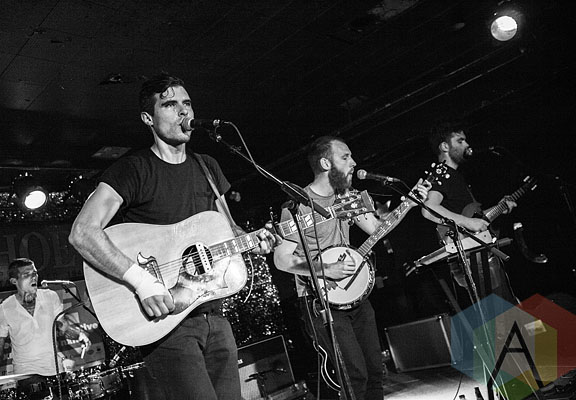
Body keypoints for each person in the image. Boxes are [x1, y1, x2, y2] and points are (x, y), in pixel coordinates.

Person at [68, 72, 277, 400]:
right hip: (166, 325)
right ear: (147, 118)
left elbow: (229, 229)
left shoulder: (207, 166)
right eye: (169, 105)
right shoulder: (133, 169)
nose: (183, 111)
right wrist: (142, 281)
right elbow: (83, 232)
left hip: (214, 314)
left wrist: (253, 240)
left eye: (187, 103)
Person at [273, 136, 430, 400]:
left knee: (375, 371)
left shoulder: (347, 197)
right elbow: (282, 259)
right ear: (326, 163)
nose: (354, 163)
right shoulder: (298, 206)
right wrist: (325, 269)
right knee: (354, 375)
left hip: (354, 293)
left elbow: (377, 228)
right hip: (320, 300)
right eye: (345, 157)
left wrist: (408, 204)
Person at [421, 122, 517, 303]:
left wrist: (499, 208)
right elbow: (429, 208)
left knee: (504, 306)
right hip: (472, 258)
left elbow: (473, 218)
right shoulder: (442, 173)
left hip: (478, 253)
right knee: (499, 310)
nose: (467, 145)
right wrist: (468, 222)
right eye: (460, 141)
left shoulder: (455, 176)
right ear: (445, 146)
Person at [0, 258, 91, 398]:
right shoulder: (5, 308)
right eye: (26, 275)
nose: (33, 277)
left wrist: (80, 335)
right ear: (14, 281)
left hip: (55, 369)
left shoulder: (50, 296)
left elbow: (63, 326)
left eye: (35, 273)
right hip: (27, 373)